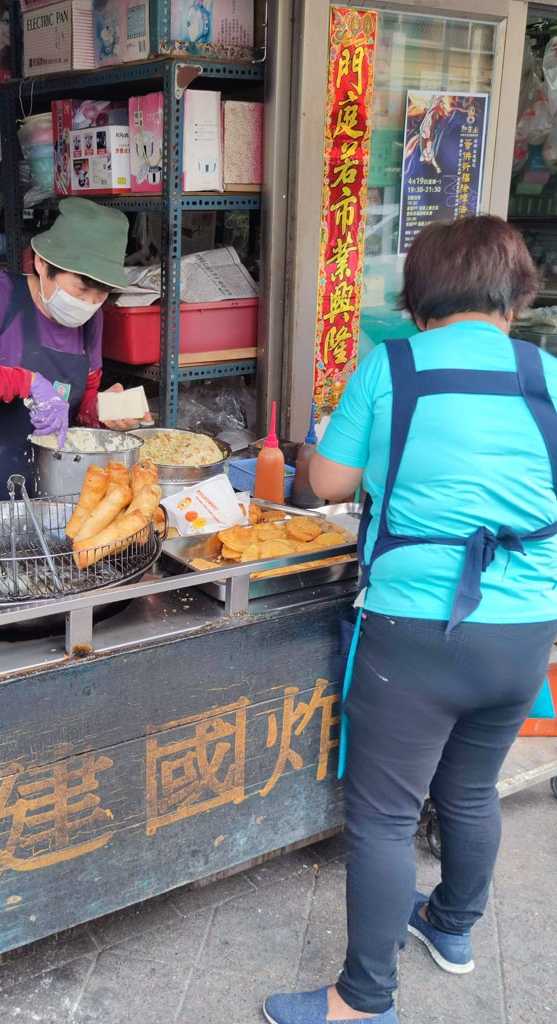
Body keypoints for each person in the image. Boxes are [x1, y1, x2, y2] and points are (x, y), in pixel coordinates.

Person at [263, 215, 557, 1024]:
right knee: (469, 791)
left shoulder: (391, 367)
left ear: (420, 298)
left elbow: (325, 483)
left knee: (386, 819)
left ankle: (362, 1001)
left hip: (417, 632)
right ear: (513, 296)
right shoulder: (548, 375)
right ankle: (453, 931)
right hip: (526, 630)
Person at [0, 197, 151, 508]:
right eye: (82, 287)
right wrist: (24, 382)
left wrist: (108, 412)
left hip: (49, 497)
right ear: (42, 263)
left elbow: (81, 404)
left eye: (102, 291)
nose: (91, 302)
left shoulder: (93, 320)